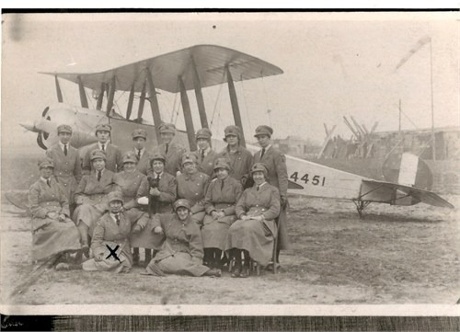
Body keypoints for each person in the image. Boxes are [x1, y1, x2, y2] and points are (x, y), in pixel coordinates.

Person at [226, 163, 280, 278]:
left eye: (260, 174)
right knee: (234, 228)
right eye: (255, 175)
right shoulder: (247, 191)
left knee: (247, 228)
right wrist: (242, 216)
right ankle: (238, 264)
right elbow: (239, 206)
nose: (258, 177)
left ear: (265, 175)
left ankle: (246, 264)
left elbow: (275, 209)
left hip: (265, 222)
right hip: (248, 218)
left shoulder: (272, 190)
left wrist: (261, 217)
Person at [143, 199, 221, 277]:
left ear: (188, 211)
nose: (182, 213)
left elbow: (197, 247)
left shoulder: (193, 226)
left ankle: (204, 271)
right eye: (179, 211)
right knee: (155, 263)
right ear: (176, 212)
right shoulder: (170, 218)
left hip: (183, 252)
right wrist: (156, 226)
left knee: (177, 263)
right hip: (167, 250)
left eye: (184, 210)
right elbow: (157, 216)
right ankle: (198, 270)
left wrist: (196, 262)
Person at [28, 159, 81, 265]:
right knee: (58, 228)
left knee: (71, 226)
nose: (47, 171)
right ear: (40, 170)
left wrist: (63, 213)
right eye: (44, 168)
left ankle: (64, 253)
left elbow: (65, 202)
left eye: (50, 169)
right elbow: (33, 207)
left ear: (52, 171)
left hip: (59, 214)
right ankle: (52, 255)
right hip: (42, 217)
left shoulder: (57, 185)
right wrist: (47, 214)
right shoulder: (35, 187)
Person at [252, 125, 290, 265]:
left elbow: (282, 176)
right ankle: (261, 256)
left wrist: (283, 195)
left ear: (269, 138)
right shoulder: (256, 155)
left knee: (276, 226)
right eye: (259, 138)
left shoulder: (276, 154)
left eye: (263, 137)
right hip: (260, 195)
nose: (261, 140)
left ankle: (275, 258)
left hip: (273, 194)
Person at [73, 150, 118, 256]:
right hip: (89, 205)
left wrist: (106, 204)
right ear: (92, 164)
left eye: (100, 161)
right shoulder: (86, 177)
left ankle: (91, 245)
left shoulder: (112, 176)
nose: (98, 164)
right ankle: (84, 243)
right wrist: (85, 200)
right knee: (83, 210)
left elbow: (117, 193)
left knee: (86, 212)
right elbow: (77, 195)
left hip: (106, 206)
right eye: (95, 161)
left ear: (105, 162)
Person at [134, 153, 177, 265]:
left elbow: (172, 196)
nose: (158, 166)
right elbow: (139, 196)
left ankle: (156, 255)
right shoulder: (146, 178)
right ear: (152, 165)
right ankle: (147, 255)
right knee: (147, 224)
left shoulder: (170, 178)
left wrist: (159, 194)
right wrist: (148, 198)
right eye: (155, 164)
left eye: (160, 163)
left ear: (164, 165)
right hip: (149, 209)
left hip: (165, 209)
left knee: (160, 226)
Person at [201, 158, 243, 268]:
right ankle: (209, 258)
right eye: (217, 171)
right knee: (206, 228)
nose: (220, 173)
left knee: (218, 229)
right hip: (214, 213)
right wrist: (212, 211)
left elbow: (239, 204)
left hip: (229, 213)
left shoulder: (236, 184)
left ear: (228, 171)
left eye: (222, 170)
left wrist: (225, 212)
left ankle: (219, 258)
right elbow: (207, 201)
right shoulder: (212, 184)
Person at [113, 152, 151, 266]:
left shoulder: (142, 178)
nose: (129, 166)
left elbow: (139, 197)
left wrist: (125, 206)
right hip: (118, 204)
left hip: (136, 206)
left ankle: (133, 253)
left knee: (126, 218)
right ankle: (120, 253)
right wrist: (118, 206)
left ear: (136, 164)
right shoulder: (117, 176)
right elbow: (116, 192)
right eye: (126, 164)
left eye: (132, 163)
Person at [82, 191, 132, 273]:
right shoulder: (103, 220)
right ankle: (79, 266)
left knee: (125, 263)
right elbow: (96, 239)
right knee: (111, 262)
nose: (116, 206)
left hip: (123, 249)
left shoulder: (126, 216)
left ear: (122, 204)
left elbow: (143, 215)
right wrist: (98, 252)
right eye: (113, 203)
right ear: (108, 205)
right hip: (107, 247)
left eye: (118, 203)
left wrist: (140, 224)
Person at [45, 124, 82, 206]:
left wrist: (79, 188)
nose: (65, 137)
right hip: (57, 183)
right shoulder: (51, 151)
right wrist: (54, 185)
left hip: (72, 185)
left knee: (73, 207)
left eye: (68, 134)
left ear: (71, 136)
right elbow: (48, 172)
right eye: (62, 134)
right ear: (58, 135)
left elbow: (78, 172)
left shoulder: (75, 152)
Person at [176, 153, 209, 225]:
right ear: (183, 167)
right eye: (186, 165)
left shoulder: (204, 178)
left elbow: (206, 199)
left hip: (198, 210)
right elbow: (176, 197)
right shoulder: (179, 179)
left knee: (191, 224)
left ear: (196, 164)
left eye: (191, 164)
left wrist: (192, 210)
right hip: (182, 210)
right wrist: (182, 210)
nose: (189, 167)